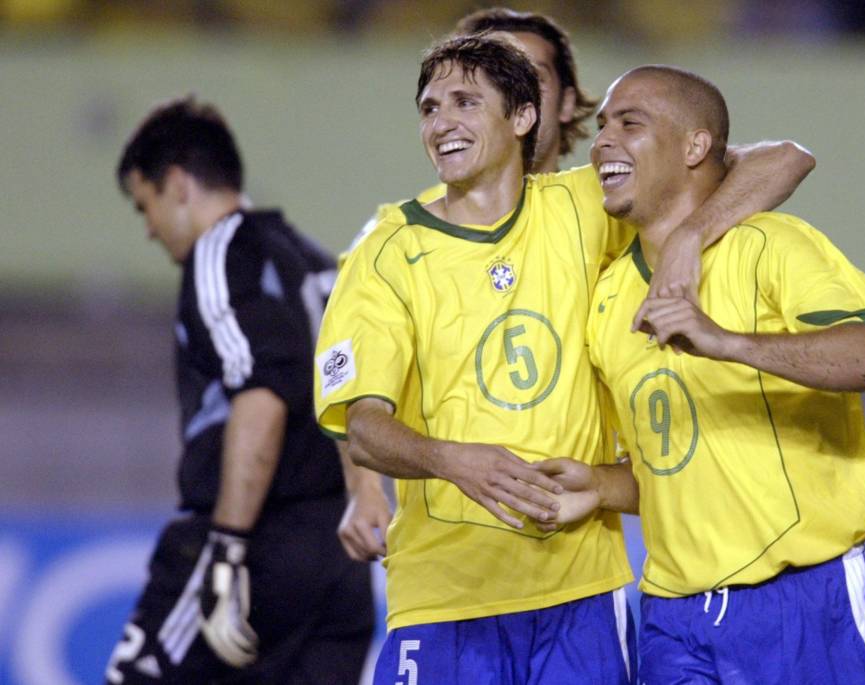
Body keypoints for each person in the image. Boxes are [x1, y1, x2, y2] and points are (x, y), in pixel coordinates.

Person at [316, 35, 813, 683]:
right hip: (444, 595)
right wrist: (451, 459)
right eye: (430, 108)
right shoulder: (385, 251)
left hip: (581, 594)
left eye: (465, 102)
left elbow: (784, 159)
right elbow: (364, 428)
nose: (442, 123)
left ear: (523, 118)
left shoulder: (584, 207)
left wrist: (692, 234)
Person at [537, 66, 865, 684]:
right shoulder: (606, 302)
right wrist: (603, 487)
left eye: (631, 123)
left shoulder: (771, 245)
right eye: (602, 126)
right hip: (671, 615)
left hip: (798, 601)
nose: (603, 140)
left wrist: (727, 342)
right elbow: (674, 465)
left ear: (694, 146)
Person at [106, 97, 373, 684]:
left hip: (254, 545)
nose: (149, 227)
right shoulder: (314, 261)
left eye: (144, 205)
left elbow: (262, 396)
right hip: (337, 559)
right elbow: (355, 400)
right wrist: (363, 500)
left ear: (177, 184)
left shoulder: (217, 256)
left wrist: (226, 550)